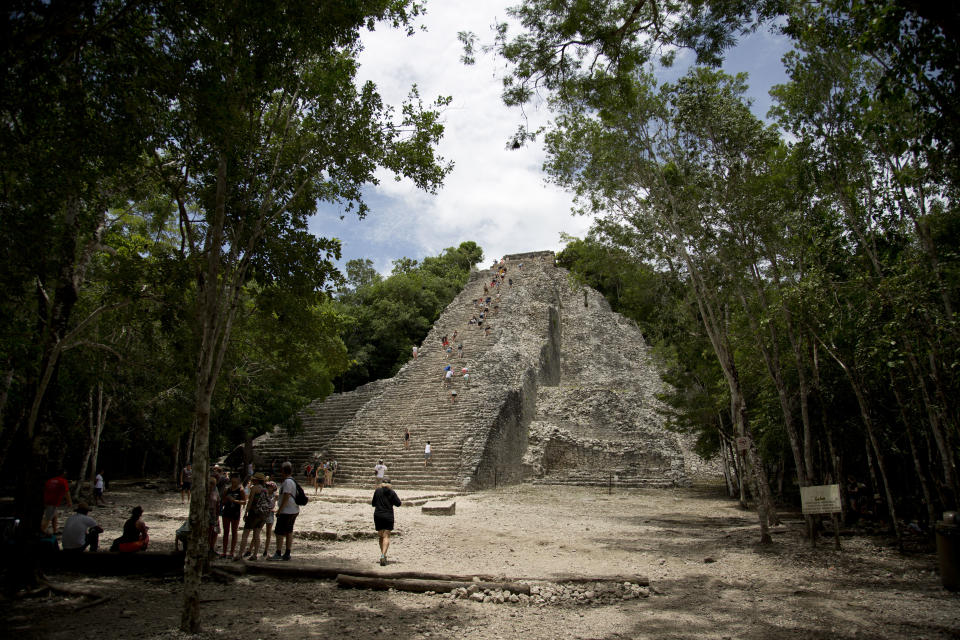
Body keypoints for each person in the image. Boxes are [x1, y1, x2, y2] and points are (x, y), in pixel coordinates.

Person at [268, 462, 299, 561]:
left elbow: (286, 496)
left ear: (283, 471)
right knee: (289, 531)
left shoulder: (287, 482)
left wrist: (279, 510)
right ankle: (287, 553)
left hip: (286, 511)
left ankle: (278, 552)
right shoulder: (292, 481)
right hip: (293, 510)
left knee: (280, 532)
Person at [237, 473, 268, 560]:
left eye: (254, 479)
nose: (252, 480)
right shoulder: (265, 489)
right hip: (262, 514)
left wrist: (246, 512)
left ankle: (240, 554)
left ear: (257, 480)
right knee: (256, 535)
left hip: (253, 513)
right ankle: (255, 554)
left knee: (245, 534)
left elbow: (250, 501)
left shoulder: (254, 488)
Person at [371, 477, 402, 566]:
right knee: (386, 536)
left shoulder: (377, 491)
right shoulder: (392, 492)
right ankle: (383, 555)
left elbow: (373, 503)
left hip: (378, 515)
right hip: (388, 515)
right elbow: (398, 504)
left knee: (381, 536)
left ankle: (383, 554)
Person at [220, 474, 245, 559]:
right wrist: (226, 499)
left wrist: (234, 500)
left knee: (234, 532)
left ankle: (231, 552)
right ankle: (224, 551)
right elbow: (222, 501)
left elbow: (244, 502)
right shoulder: (227, 489)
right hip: (226, 512)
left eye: (235, 481)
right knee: (225, 532)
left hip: (235, 513)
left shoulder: (241, 490)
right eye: (232, 481)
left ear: (238, 481)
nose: (234, 483)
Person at [41, 470, 72, 534]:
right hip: (53, 502)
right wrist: (69, 502)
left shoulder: (50, 480)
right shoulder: (63, 481)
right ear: (63, 474)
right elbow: (67, 492)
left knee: (54, 516)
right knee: (48, 518)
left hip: (47, 500)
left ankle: (55, 530)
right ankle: (41, 531)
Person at [261, 480, 277, 558]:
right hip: (263, 513)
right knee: (257, 531)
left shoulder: (274, 496)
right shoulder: (264, 494)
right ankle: (250, 549)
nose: (268, 488)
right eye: (267, 487)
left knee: (268, 533)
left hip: (270, 514)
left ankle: (266, 550)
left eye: (270, 487)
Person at [207, 476, 220, 557]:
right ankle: (207, 548)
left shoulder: (216, 490)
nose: (212, 485)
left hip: (214, 513)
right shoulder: (205, 492)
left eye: (214, 484)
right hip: (207, 513)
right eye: (211, 484)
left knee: (215, 531)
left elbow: (218, 501)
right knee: (208, 531)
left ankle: (212, 548)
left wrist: (218, 514)